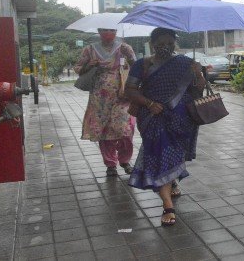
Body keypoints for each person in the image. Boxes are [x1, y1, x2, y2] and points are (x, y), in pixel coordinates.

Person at [124, 27, 205, 226]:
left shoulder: (186, 63)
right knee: (160, 155)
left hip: (181, 119)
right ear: (152, 44)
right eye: (160, 44)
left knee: (174, 154)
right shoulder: (142, 65)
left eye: (170, 43)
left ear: (175, 44)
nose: (165, 47)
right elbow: (130, 91)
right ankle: (168, 206)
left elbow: (197, 92)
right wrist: (150, 104)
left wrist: (198, 74)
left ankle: (171, 180)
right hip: (152, 117)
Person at [74, 28, 136, 177]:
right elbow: (78, 69)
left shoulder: (124, 47)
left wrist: (130, 57)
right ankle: (110, 164)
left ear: (115, 31)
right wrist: (90, 65)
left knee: (126, 129)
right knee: (105, 130)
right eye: (105, 31)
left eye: (111, 30)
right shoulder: (90, 49)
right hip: (99, 97)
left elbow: (137, 66)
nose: (108, 34)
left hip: (122, 93)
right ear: (99, 32)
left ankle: (125, 160)